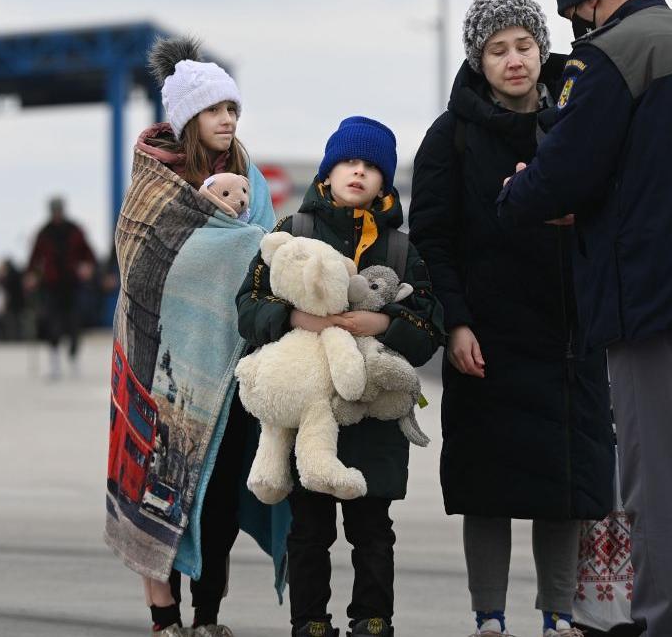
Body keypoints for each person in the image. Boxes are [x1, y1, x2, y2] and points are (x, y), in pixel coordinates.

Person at [495, 0, 672, 635]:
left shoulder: (608, 57)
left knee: (662, 480)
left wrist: (516, 195)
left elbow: (566, 168)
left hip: (655, 297)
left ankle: (668, 624)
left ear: (587, 0)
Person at [410, 0, 613, 637]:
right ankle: (488, 616)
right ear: (480, 60)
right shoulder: (451, 139)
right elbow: (432, 240)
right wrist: (457, 322)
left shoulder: (578, 121)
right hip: (487, 341)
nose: (515, 59)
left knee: (566, 487)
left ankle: (560, 614)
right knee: (488, 486)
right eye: (498, 49)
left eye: (524, 43)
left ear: (542, 46)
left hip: (569, 337)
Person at [236, 116, 445, 637]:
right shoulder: (292, 234)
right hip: (308, 412)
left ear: (385, 183)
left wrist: (383, 322)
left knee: (374, 530)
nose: (360, 172)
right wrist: (294, 318)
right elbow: (248, 304)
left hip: (374, 419)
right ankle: (309, 621)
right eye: (350, 161)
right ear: (328, 173)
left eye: (373, 167)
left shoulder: (401, 249)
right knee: (308, 530)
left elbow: (428, 325)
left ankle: (373, 620)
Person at [105, 35, 284, 637]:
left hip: (230, 370)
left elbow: (266, 253)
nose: (228, 119)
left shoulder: (250, 182)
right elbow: (139, 270)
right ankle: (164, 621)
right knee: (159, 494)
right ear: (188, 118)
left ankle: (206, 621)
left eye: (232, 108)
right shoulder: (154, 188)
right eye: (214, 110)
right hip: (160, 371)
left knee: (217, 500)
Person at [24, 196, 95, 377]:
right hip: (51, 285)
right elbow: (34, 258)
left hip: (72, 284)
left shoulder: (75, 231)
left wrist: (87, 267)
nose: (56, 214)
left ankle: (73, 357)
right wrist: (31, 275)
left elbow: (89, 254)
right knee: (51, 322)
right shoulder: (44, 233)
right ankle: (54, 361)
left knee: (73, 323)